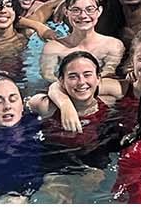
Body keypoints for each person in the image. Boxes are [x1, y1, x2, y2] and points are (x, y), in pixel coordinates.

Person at [29, 51, 118, 203]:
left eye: (87, 74)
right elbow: (30, 103)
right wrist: (64, 103)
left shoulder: (109, 109)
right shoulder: (49, 107)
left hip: (92, 170)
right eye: (73, 76)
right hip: (54, 171)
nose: (81, 82)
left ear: (98, 78)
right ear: (61, 81)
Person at [39, 0, 125, 81]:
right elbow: (48, 77)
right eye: (76, 10)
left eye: (89, 9)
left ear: (99, 11)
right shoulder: (54, 47)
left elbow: (108, 74)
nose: (83, 15)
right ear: (66, 12)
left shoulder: (113, 45)